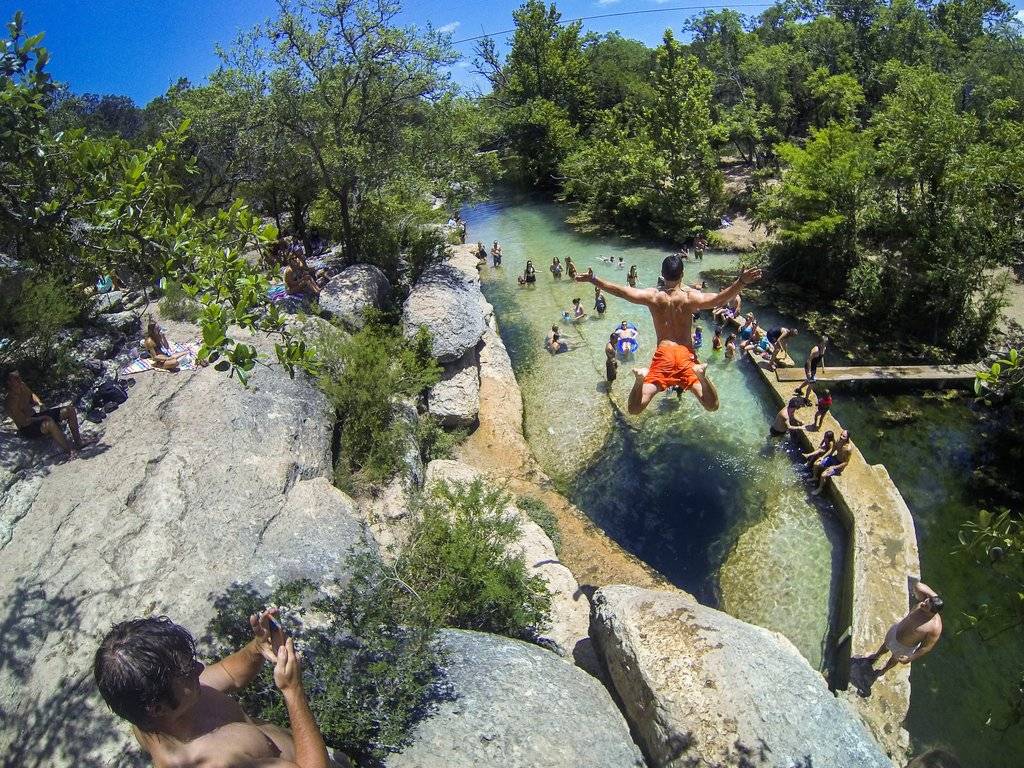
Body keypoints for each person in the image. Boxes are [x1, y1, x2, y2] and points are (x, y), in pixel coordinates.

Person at [93, 611, 344, 768]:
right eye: (188, 674)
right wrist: (293, 692)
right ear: (157, 708)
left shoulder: (153, 709)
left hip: (311, 748)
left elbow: (228, 674)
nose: (200, 669)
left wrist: (257, 648)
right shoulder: (215, 762)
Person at [577, 256, 761, 415]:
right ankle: (702, 377)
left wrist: (594, 279)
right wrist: (741, 282)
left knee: (634, 409)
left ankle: (640, 379)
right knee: (712, 405)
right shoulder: (690, 297)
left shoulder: (653, 296)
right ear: (682, 274)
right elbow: (719, 299)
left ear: (663, 274)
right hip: (685, 355)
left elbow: (621, 291)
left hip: (663, 354)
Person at [865, 581, 944, 675]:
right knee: (885, 646)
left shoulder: (934, 627)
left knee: (894, 659)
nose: (922, 604)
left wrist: (910, 658)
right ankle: (876, 656)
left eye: (926, 606)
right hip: (896, 631)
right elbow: (918, 585)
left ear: (932, 612)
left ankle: (883, 671)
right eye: (926, 601)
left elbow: (926, 647)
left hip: (904, 646)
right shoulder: (924, 603)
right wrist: (934, 597)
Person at [5, 370, 87, 456]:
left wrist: (39, 403)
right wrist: (42, 418)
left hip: (36, 416)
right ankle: (69, 450)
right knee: (49, 424)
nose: (19, 379)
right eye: (15, 378)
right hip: (28, 427)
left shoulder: (22, 386)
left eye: (18, 376)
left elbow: (31, 394)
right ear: (9, 382)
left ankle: (79, 442)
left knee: (69, 410)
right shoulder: (11, 401)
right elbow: (24, 421)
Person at [811, 428, 851, 495]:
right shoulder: (838, 441)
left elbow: (846, 463)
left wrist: (834, 467)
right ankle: (814, 477)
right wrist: (822, 457)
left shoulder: (848, 449)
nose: (841, 437)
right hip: (834, 458)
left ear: (847, 438)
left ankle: (820, 488)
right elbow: (832, 451)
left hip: (839, 465)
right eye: (841, 434)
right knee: (816, 463)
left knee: (823, 475)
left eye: (844, 436)